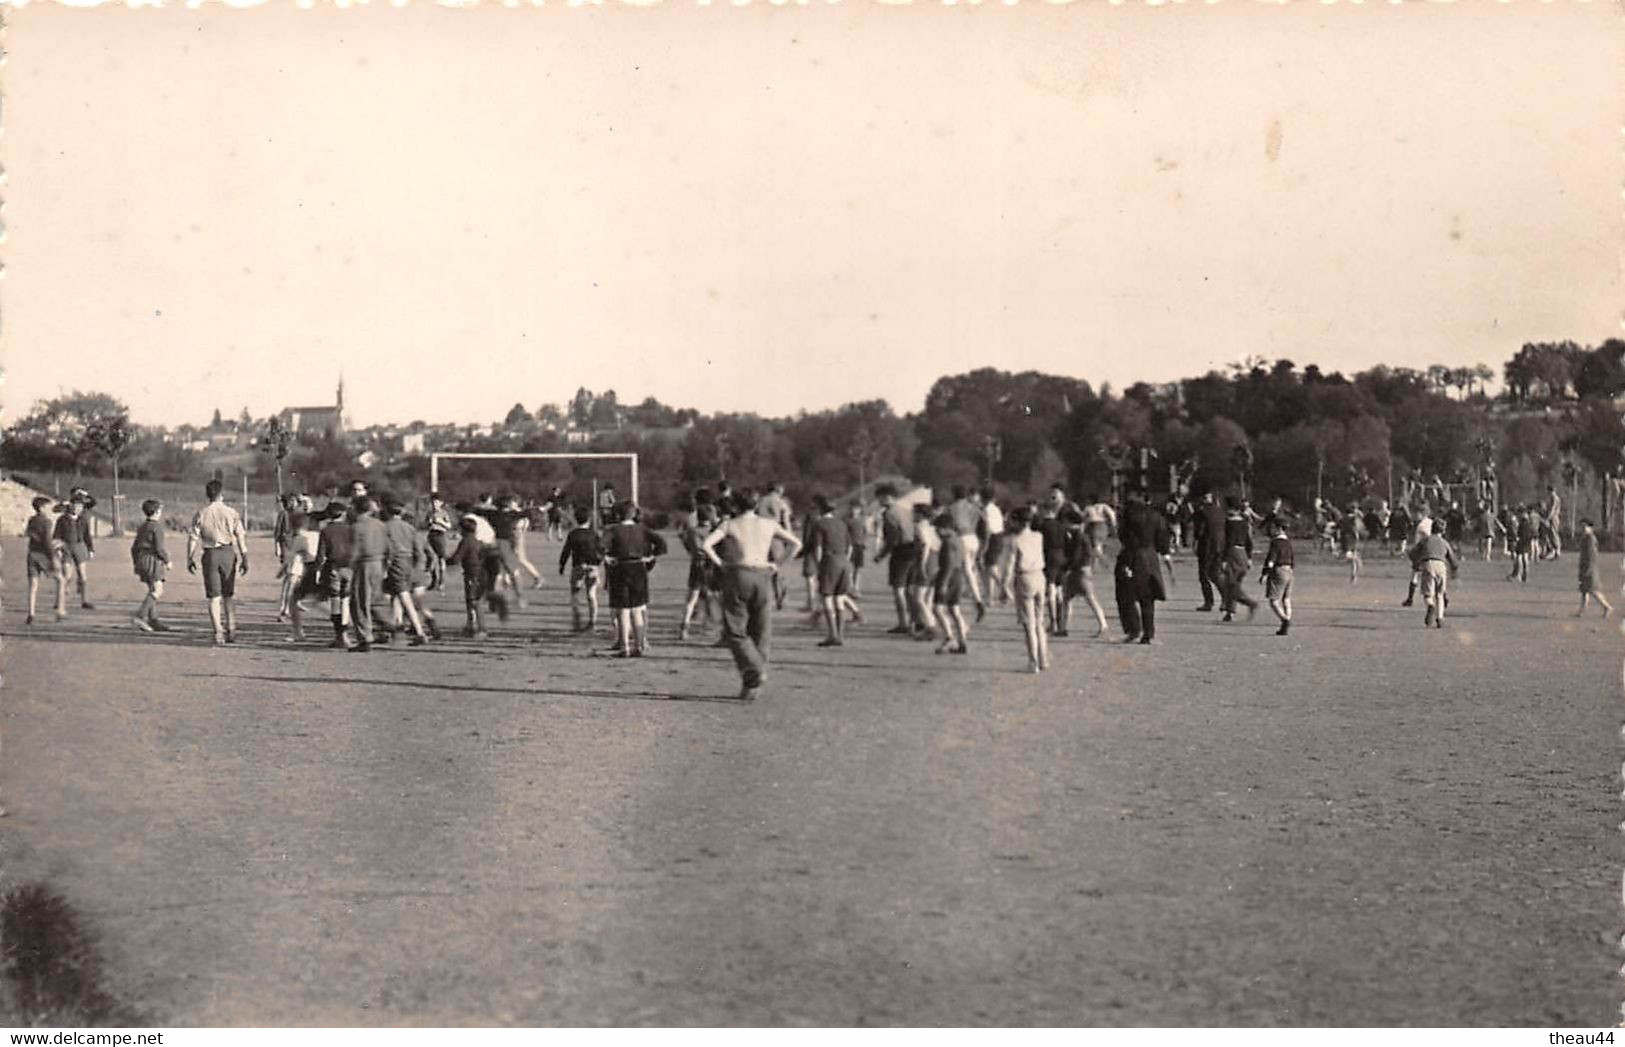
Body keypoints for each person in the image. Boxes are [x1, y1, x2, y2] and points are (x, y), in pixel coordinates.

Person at [703, 487, 803, 700]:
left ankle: (754, 669)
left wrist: (721, 563)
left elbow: (706, 545)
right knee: (761, 629)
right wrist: (777, 565)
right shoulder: (768, 524)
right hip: (763, 575)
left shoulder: (729, 524)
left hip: (738, 574)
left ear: (735, 505)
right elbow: (796, 544)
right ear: (756, 505)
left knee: (736, 630)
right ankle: (751, 686)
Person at [186, 479, 250, 645]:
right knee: (228, 596)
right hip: (228, 553)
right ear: (221, 494)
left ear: (208, 495)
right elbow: (240, 536)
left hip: (210, 554)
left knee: (213, 597)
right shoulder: (232, 513)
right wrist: (245, 557)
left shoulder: (201, 513)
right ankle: (232, 629)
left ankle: (218, 632)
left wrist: (190, 557)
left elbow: (193, 538)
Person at [602, 502, 667, 657]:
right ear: (633, 514)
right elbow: (661, 543)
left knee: (622, 610)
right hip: (638, 568)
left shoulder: (613, 530)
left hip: (620, 569)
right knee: (637, 609)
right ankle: (639, 645)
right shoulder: (642, 529)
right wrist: (651, 556)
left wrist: (606, 557)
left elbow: (600, 546)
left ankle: (624, 646)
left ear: (618, 515)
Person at [1113, 489, 1174, 645]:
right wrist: (1164, 552)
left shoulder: (1128, 517)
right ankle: (1148, 633)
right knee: (1147, 598)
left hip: (1130, 555)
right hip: (1150, 558)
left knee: (1125, 596)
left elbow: (1123, 537)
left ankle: (1133, 630)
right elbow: (1163, 540)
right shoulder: (1156, 517)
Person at [805, 494, 857, 647]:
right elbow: (850, 547)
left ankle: (832, 634)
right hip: (844, 560)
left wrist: (819, 564)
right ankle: (840, 635)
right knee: (840, 598)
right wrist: (845, 559)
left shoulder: (819, 524)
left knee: (826, 597)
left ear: (820, 509)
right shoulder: (842, 523)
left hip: (830, 561)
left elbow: (818, 548)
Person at [874, 483, 922, 636]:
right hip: (913, 549)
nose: (878, 501)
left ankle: (903, 623)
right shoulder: (906, 510)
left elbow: (892, 538)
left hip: (901, 551)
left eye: (880, 497)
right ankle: (917, 620)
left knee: (898, 589)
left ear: (887, 497)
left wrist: (881, 555)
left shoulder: (889, 514)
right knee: (910, 589)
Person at [381, 498, 430, 645]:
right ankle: (397, 628)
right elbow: (419, 551)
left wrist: (385, 566)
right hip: (409, 563)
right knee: (395, 596)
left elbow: (387, 549)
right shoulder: (409, 528)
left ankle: (419, 631)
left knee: (404, 598)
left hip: (395, 563)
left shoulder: (385, 527)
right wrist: (418, 566)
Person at [1006, 507, 1049, 673]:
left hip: (1024, 578)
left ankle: (1033, 662)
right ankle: (1043, 658)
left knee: (1029, 625)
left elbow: (1010, 565)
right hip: (1040, 576)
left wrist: (1004, 585)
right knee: (1039, 622)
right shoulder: (1039, 536)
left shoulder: (1015, 540)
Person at [678, 488, 721, 641]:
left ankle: (684, 625)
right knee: (711, 596)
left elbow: (684, 539)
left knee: (692, 598)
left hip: (696, 564)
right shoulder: (714, 531)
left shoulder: (692, 530)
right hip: (710, 566)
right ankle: (710, 625)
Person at [314, 501, 356, 648]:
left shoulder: (326, 531)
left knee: (335, 602)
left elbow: (321, 555)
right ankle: (347, 633)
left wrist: (317, 570)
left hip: (334, 567)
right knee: (346, 601)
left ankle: (340, 635)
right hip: (350, 567)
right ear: (343, 514)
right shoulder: (351, 529)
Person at [559, 505, 605, 633]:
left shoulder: (573, 534)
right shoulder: (594, 534)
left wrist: (561, 565)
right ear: (589, 520)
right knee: (591, 595)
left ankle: (576, 621)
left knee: (575, 594)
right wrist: (599, 562)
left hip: (578, 566)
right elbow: (601, 550)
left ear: (575, 519)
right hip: (592, 567)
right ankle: (592, 623)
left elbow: (566, 551)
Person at [930, 512, 970, 654]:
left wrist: (942, 584)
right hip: (959, 576)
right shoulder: (959, 540)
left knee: (937, 609)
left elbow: (948, 564)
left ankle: (949, 637)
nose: (936, 532)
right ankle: (962, 641)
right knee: (955, 610)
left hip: (948, 576)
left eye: (938, 529)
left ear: (946, 528)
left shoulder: (947, 542)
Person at [129, 499, 172, 632]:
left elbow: (134, 547)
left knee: (152, 589)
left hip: (142, 559)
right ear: (157, 511)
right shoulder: (157, 527)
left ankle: (153, 620)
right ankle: (139, 616)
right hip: (152, 561)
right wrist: (167, 560)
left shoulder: (142, 526)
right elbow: (159, 548)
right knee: (157, 590)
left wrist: (137, 562)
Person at [946, 486, 988, 621]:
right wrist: (983, 546)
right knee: (969, 570)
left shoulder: (951, 508)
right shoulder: (974, 507)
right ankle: (976, 600)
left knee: (962, 571)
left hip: (961, 538)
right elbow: (985, 526)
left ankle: (976, 601)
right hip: (973, 538)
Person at [1409, 520, 1460, 628]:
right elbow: (1452, 559)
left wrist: (1417, 562)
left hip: (1428, 564)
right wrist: (1454, 569)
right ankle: (1440, 618)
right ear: (1443, 531)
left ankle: (1430, 606)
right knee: (1440, 594)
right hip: (1441, 566)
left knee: (1427, 594)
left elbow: (1413, 553)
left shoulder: (1425, 540)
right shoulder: (1444, 542)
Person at [24, 495, 66, 624]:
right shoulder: (47, 522)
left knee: (33, 585)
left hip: (32, 554)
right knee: (61, 580)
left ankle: (31, 613)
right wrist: (53, 555)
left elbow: (28, 534)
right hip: (44, 555)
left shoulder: (31, 520)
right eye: (47, 507)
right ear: (42, 508)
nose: (49, 509)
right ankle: (59, 610)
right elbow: (47, 541)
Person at [1216, 496, 1258, 622]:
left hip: (1232, 553)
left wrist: (1223, 559)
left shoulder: (1229, 523)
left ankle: (1249, 603)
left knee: (1230, 584)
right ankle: (1230, 611)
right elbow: (1249, 541)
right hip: (1243, 553)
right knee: (1234, 583)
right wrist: (1249, 557)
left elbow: (1226, 542)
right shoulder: (1244, 523)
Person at [54, 496, 96, 610]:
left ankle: (85, 600)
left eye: (80, 506)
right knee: (67, 575)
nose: (78, 508)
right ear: (71, 506)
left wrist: (91, 549)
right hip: (66, 547)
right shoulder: (62, 520)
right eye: (76, 506)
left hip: (80, 546)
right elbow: (56, 536)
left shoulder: (83, 520)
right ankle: (60, 600)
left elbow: (87, 536)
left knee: (82, 575)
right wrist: (58, 550)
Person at [1260, 516, 1295, 636]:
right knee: (1286, 599)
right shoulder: (1288, 542)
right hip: (1289, 570)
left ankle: (1284, 620)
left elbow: (1271, 559)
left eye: (1274, 527)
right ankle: (1288, 619)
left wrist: (1265, 573)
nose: (1272, 529)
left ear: (1279, 528)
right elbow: (1292, 559)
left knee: (1273, 601)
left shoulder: (1275, 543)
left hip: (1278, 570)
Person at [1193, 491, 1225, 612]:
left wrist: (1195, 541)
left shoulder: (1201, 511)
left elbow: (1200, 530)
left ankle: (1209, 602)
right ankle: (1225, 599)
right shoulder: (1220, 511)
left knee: (1204, 575)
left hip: (1206, 546)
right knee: (1216, 574)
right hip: (1219, 546)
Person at [1575, 518, 1612, 618]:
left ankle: (1606, 607)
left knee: (1593, 591)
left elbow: (1592, 555)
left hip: (1589, 568)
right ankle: (1582, 611)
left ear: (1590, 527)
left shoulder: (1590, 539)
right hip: (1584, 567)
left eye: (1584, 527)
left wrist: (1588, 569)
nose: (1582, 529)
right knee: (1584, 591)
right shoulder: (1585, 538)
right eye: (1581, 526)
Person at [979, 486, 1010, 604]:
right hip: (999, 536)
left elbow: (987, 529)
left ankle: (1003, 589)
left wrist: (984, 546)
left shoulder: (986, 510)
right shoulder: (995, 509)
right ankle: (989, 597)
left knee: (990, 568)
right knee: (989, 568)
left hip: (992, 538)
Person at [425, 491, 454, 591]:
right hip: (431, 535)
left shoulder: (444, 513)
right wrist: (429, 523)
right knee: (431, 557)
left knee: (441, 559)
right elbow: (425, 525)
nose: (434, 504)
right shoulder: (430, 513)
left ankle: (442, 582)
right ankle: (434, 580)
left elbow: (449, 526)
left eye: (436, 502)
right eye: (433, 502)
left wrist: (440, 522)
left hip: (440, 535)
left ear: (441, 503)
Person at [1338, 502, 1363, 584]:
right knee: (1349, 557)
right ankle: (1353, 575)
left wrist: (1356, 535)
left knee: (1347, 556)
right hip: (1346, 538)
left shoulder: (1353, 518)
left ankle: (1356, 563)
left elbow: (1355, 528)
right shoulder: (1347, 518)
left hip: (1349, 539)